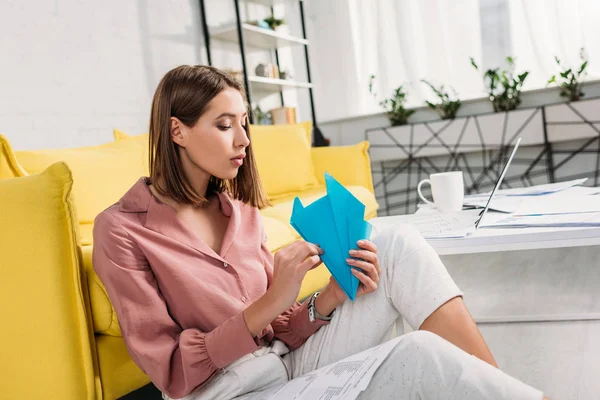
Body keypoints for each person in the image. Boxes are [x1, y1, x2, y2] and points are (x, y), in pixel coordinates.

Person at [93, 65, 549, 400]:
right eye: (224, 124)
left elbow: (273, 331)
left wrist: (327, 298)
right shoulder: (123, 230)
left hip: (282, 365)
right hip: (224, 392)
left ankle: (503, 391)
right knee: (416, 355)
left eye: (245, 122)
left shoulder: (240, 215)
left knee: (394, 244)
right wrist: (271, 300)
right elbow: (171, 370)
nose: (244, 140)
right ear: (178, 131)